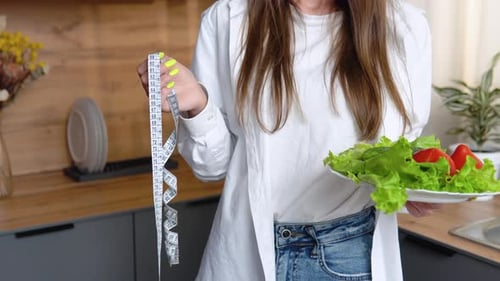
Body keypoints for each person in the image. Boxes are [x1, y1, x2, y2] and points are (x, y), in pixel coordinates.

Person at [137, 0, 438, 280]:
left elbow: (399, 153)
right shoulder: (228, 19)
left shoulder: (404, 27)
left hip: (351, 255)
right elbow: (212, 168)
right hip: (249, 250)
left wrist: (413, 187)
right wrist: (198, 107)